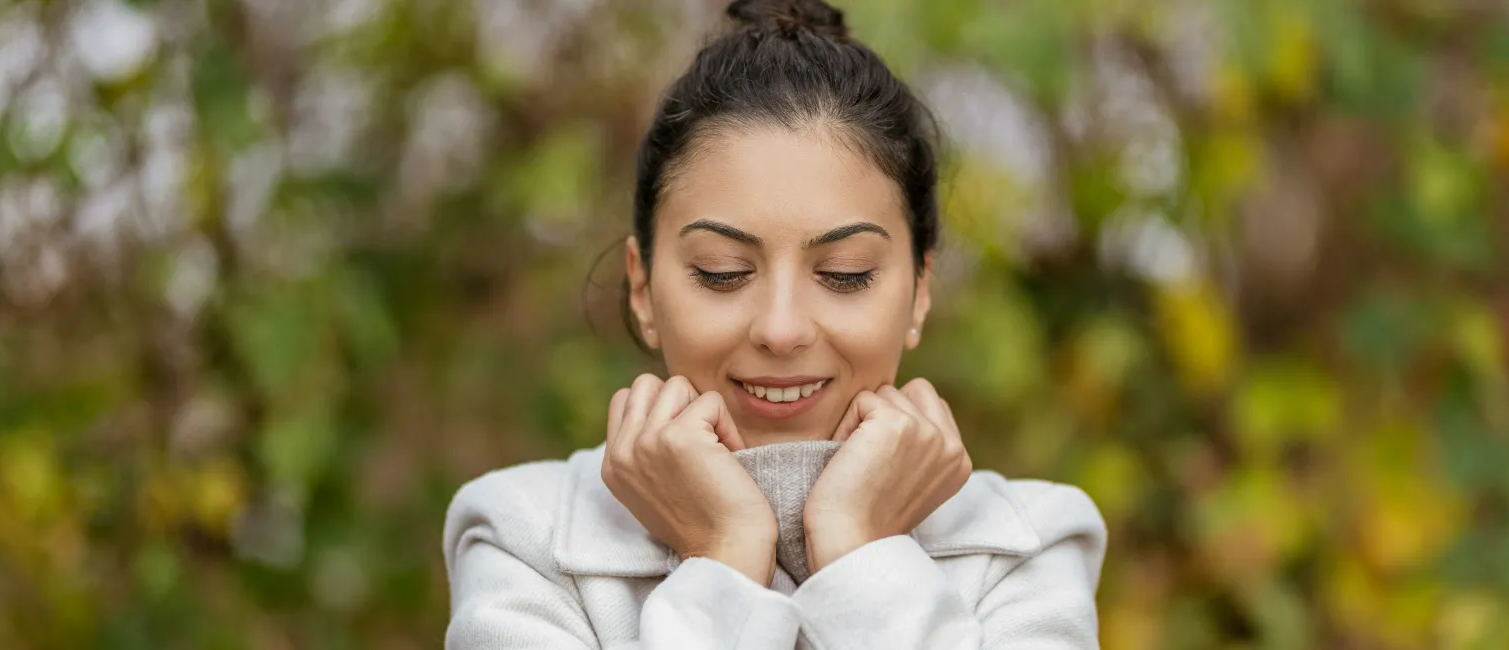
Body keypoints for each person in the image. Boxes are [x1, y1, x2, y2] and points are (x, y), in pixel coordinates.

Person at [441, 0, 1107, 647]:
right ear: (642, 288)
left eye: (845, 274)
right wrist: (726, 555)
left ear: (920, 291)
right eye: (723, 272)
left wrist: (859, 552)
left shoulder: (1029, 543)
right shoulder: (525, 539)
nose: (781, 330)